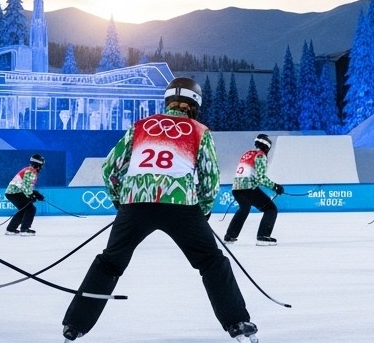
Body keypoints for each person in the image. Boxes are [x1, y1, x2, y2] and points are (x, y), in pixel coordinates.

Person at [62, 77, 257, 343]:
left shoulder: (140, 127)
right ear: (195, 104)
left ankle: (75, 326)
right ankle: (237, 323)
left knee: (110, 263)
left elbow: (109, 168)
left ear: (167, 101)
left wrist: (122, 202)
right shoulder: (199, 130)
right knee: (211, 262)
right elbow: (210, 179)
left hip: (135, 206)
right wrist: (205, 210)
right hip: (181, 207)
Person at [224, 133, 283, 245]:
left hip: (236, 188)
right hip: (248, 189)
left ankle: (229, 236)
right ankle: (263, 236)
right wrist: (275, 186)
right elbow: (261, 178)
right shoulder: (260, 156)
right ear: (266, 147)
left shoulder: (247, 154)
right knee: (271, 209)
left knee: (243, 209)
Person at [4, 152, 47, 235]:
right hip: (15, 192)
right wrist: (31, 196)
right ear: (38, 164)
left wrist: (36, 194)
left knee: (24, 209)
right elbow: (26, 186)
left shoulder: (29, 169)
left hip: (12, 192)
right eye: (42, 165)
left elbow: (26, 186)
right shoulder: (31, 171)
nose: (42, 167)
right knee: (31, 209)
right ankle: (24, 229)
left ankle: (10, 229)